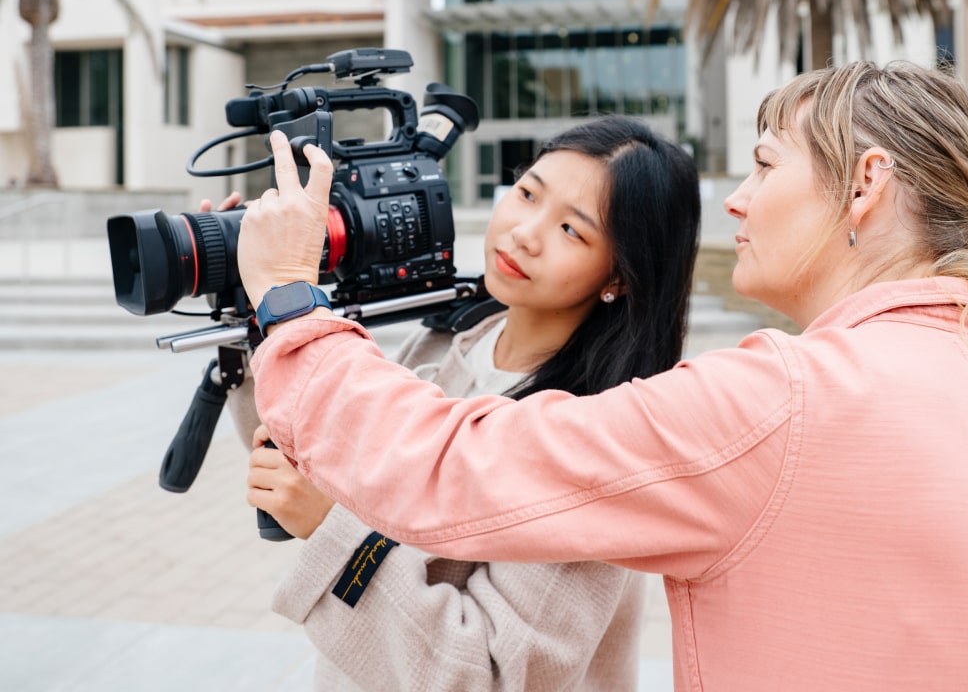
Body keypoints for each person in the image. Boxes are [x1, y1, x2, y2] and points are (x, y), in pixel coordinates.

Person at [239, 61, 968, 691]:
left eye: (766, 164)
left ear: (866, 186)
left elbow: (448, 466)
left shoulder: (780, 400)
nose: (737, 199)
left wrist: (289, 299)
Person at [234, 115, 702, 691]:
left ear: (621, 278)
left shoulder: (597, 441)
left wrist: (332, 527)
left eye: (571, 230)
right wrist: (253, 317)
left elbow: (493, 676)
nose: (525, 232)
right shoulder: (435, 345)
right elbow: (291, 453)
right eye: (528, 193)